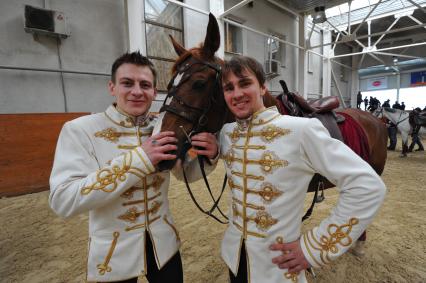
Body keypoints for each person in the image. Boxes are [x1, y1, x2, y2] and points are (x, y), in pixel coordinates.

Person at [49, 52, 218, 283]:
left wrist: (208, 157)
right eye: (127, 83)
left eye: (145, 85)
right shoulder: (80, 130)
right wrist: (140, 159)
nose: (137, 91)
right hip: (113, 253)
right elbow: (63, 200)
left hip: (164, 247)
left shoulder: (161, 125)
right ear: (112, 87)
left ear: (154, 92)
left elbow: (184, 173)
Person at [216, 55, 386, 283]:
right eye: (229, 88)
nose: (236, 94)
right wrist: (210, 150)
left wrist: (313, 248)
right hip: (234, 257)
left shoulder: (302, 130)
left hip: (278, 268)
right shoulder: (227, 134)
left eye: (245, 83)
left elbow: (368, 185)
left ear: (263, 87)